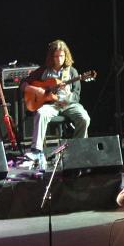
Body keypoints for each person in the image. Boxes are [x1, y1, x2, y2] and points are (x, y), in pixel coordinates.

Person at [23, 39, 90, 168]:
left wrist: (69, 94)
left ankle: (77, 149)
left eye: (62, 56)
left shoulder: (72, 72)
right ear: (51, 57)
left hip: (68, 104)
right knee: (41, 113)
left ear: (66, 55)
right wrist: (35, 90)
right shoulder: (43, 70)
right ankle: (36, 151)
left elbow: (76, 96)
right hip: (51, 105)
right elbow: (24, 83)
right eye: (56, 56)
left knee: (84, 118)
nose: (59, 59)